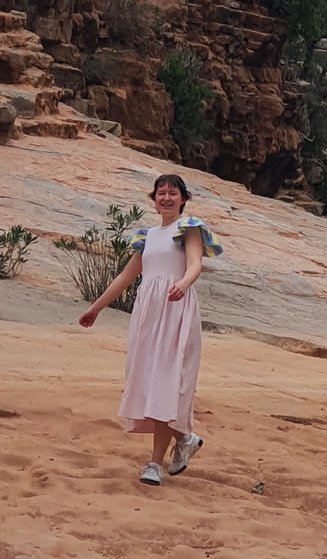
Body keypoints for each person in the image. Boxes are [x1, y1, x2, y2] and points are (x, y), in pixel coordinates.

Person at [79, 172, 221, 486]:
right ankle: (184, 439)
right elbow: (125, 277)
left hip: (176, 312)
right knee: (150, 381)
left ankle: (155, 464)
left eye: (173, 193)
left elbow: (195, 264)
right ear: (154, 200)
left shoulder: (188, 228)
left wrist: (183, 284)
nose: (166, 198)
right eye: (161, 193)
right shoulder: (148, 236)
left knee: (166, 383)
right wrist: (96, 308)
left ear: (183, 199)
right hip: (148, 315)